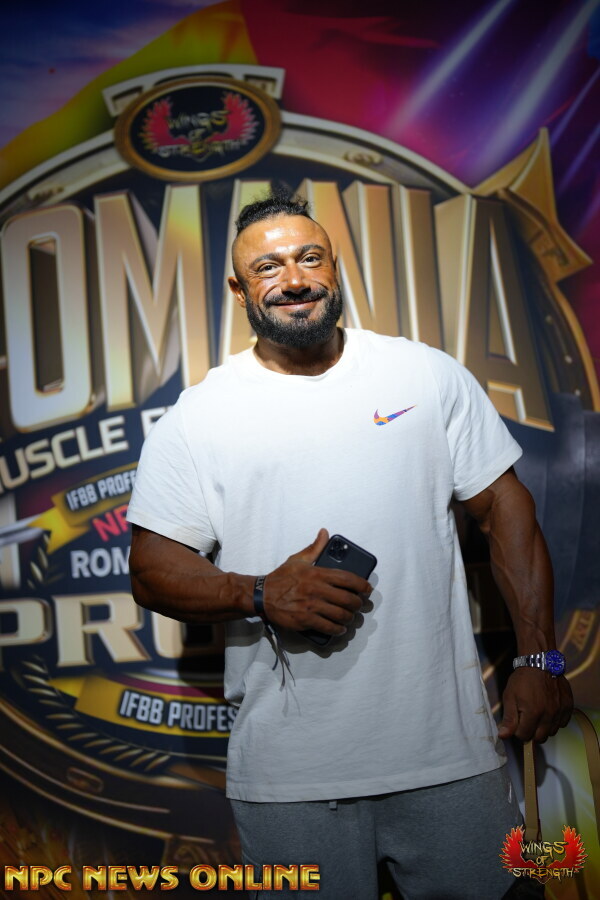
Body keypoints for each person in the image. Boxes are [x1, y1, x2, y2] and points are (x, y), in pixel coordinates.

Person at [127, 193, 573, 899]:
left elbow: (505, 508)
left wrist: (538, 658)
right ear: (239, 290)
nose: (294, 279)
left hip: (450, 756)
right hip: (290, 778)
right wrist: (261, 593)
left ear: (335, 268)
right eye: (268, 266)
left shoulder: (424, 375)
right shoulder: (199, 416)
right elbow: (152, 571)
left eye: (310, 258)